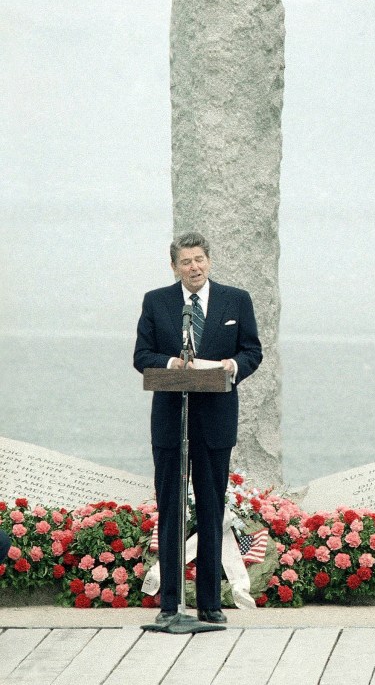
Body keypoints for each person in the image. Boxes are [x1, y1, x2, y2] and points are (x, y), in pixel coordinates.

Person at [133, 232, 262, 626]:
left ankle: (209, 604)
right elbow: (142, 356)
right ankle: (170, 605)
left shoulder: (235, 300)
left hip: (215, 422)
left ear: (209, 261)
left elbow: (252, 351)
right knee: (170, 509)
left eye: (200, 260)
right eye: (186, 262)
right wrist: (174, 364)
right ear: (174, 266)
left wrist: (231, 367)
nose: (194, 267)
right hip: (172, 421)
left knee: (210, 510)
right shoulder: (157, 301)